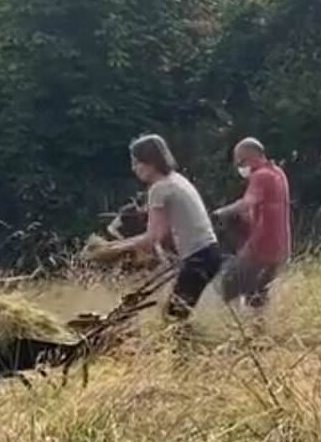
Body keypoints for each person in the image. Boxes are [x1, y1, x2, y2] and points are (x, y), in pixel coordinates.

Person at [89, 134, 223, 320]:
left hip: (199, 258)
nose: (134, 168)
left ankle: (183, 348)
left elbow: (153, 237)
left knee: (173, 317)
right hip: (208, 254)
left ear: (150, 162)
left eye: (136, 163)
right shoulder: (176, 180)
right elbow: (166, 231)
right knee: (175, 314)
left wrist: (113, 249)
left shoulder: (159, 189)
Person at [212, 137, 291, 311]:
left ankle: (228, 329)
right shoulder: (278, 173)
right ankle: (257, 334)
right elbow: (265, 209)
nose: (240, 167)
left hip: (260, 249)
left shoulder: (261, 176)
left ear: (252, 156)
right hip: (280, 249)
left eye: (240, 161)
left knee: (226, 286)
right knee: (256, 297)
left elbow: (247, 203)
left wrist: (220, 213)